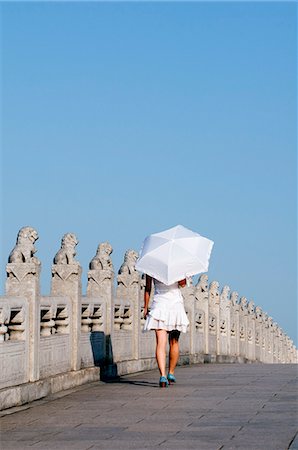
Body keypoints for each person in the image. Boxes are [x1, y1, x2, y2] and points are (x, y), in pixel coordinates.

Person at [143, 275, 189, 387]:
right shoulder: (177, 266)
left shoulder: (152, 266)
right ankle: (171, 373)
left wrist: (145, 307)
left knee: (160, 343)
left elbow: (148, 288)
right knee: (174, 342)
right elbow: (183, 284)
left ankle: (162, 376)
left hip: (159, 305)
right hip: (175, 306)